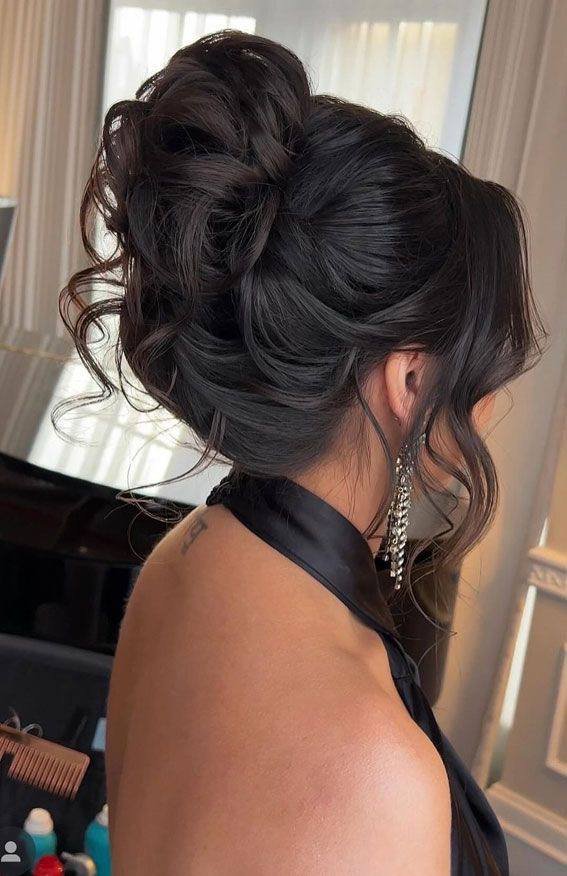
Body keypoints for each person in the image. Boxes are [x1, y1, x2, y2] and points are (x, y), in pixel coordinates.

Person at [60, 32, 543, 875]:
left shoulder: (187, 554)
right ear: (409, 379)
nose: (490, 406)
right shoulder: (371, 771)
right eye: (482, 376)